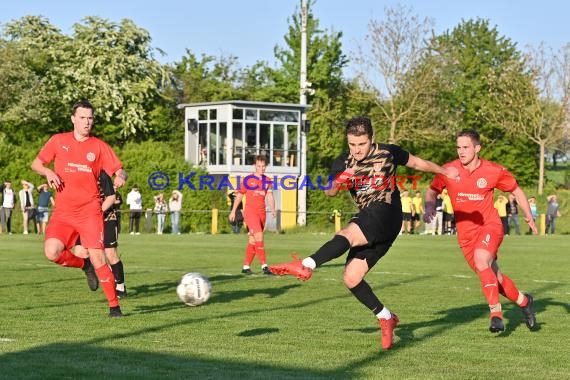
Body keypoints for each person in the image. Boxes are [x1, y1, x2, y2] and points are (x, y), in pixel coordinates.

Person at [269, 116, 459, 350]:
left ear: (371, 139)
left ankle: (307, 264)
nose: (357, 150)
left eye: (361, 144)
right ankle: (386, 316)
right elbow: (329, 192)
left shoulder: (388, 152)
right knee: (351, 277)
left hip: (386, 212)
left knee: (348, 233)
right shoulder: (343, 161)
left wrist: (445, 172)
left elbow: (418, 164)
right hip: (374, 222)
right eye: (352, 145)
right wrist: (341, 179)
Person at [424, 129, 537, 333]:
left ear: (477, 148)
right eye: (458, 147)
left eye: (465, 147)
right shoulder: (449, 170)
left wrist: (528, 214)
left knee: (481, 259)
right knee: (496, 279)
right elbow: (432, 190)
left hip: (490, 226)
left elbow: (516, 190)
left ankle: (496, 315)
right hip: (465, 236)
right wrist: (429, 206)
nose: (461, 151)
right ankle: (524, 301)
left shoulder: (493, 170)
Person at [30, 99, 128, 317]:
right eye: (82, 117)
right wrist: (48, 172)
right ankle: (84, 265)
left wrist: (120, 176)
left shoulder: (99, 146)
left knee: (99, 257)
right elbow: (36, 164)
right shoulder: (58, 141)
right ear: (73, 119)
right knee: (52, 252)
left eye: (90, 118)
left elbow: (120, 170)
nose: (87, 122)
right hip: (63, 213)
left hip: (89, 212)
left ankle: (114, 306)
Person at [74, 170, 128, 298]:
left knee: (110, 254)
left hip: (107, 217)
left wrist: (121, 177)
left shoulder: (103, 165)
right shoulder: (78, 168)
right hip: (87, 218)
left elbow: (122, 172)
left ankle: (120, 286)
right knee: (80, 252)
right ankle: (91, 269)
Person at [229, 155, 277, 275]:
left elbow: (270, 196)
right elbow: (239, 195)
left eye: (263, 166)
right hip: (250, 212)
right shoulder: (247, 179)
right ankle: (264, 266)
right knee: (259, 236)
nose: (261, 168)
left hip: (262, 213)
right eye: (259, 166)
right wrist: (233, 210)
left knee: (253, 241)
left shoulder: (268, 181)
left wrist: (273, 209)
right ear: (254, 166)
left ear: (266, 167)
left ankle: (246, 267)